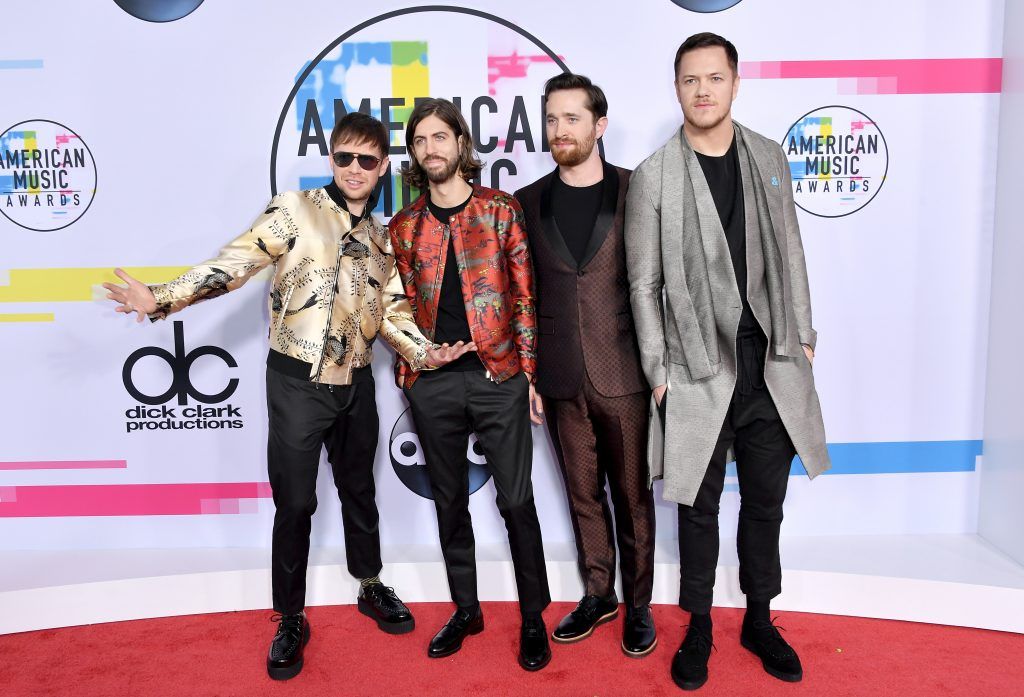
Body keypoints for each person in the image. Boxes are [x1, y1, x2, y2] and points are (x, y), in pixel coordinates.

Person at [103, 112, 473, 681]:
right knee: (296, 502)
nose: (354, 169)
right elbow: (234, 264)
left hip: (357, 384)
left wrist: (426, 353)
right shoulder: (293, 211)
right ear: (332, 159)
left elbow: (395, 315)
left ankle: (370, 583)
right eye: (345, 157)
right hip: (297, 384)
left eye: (367, 161)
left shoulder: (382, 238)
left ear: (381, 170)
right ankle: (291, 617)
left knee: (359, 490)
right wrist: (160, 298)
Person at [624, 33, 831, 691]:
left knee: (766, 500)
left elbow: (792, 251)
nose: (704, 90)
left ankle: (760, 618)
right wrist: (659, 374)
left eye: (715, 78)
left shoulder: (769, 157)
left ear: (735, 83)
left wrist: (802, 336)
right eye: (691, 80)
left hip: (768, 359)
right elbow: (642, 283)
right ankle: (702, 624)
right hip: (694, 365)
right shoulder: (654, 174)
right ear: (677, 88)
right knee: (698, 505)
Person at [388, 98, 552, 671]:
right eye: (419, 140)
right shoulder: (403, 226)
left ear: (460, 142)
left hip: (500, 377)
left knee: (516, 501)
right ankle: (466, 608)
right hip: (432, 384)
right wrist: (418, 358)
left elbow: (526, 297)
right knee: (449, 502)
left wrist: (529, 373)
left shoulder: (500, 211)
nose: (430, 148)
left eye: (440, 136)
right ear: (412, 153)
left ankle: (534, 618)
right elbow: (393, 309)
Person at [514, 74, 657, 658]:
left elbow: (658, 283)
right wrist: (529, 372)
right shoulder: (527, 201)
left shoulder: (635, 191)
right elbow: (522, 292)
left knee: (631, 495)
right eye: (551, 119)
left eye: (572, 119)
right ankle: (599, 594)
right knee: (582, 496)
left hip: (624, 371)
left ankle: (640, 606)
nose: (559, 130)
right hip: (558, 375)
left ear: (599, 126)